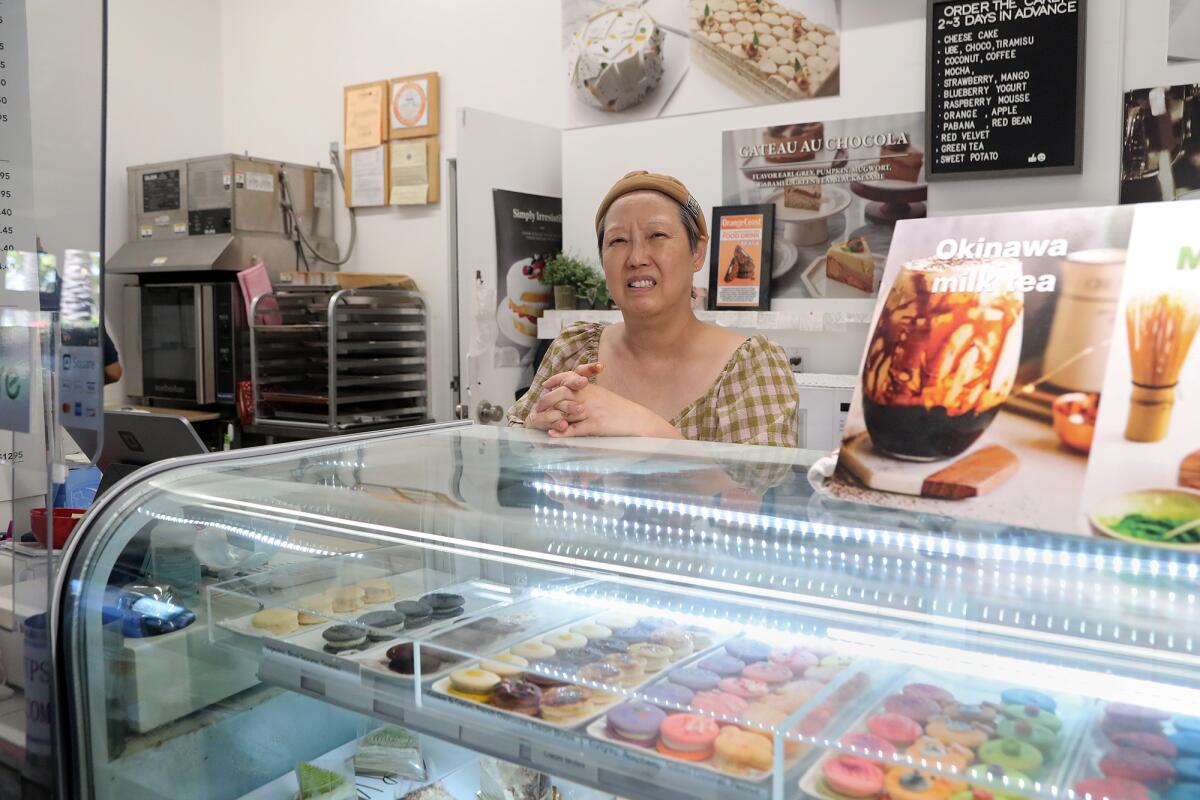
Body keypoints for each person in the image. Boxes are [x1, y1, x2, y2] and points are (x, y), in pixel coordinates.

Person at [507, 170, 799, 447]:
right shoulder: (573, 349)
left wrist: (642, 424)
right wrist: (539, 434)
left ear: (697, 252)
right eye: (618, 241)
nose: (636, 258)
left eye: (657, 235)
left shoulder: (751, 366)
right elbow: (515, 451)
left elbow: (756, 489)